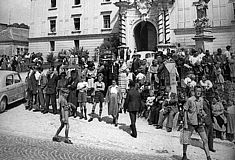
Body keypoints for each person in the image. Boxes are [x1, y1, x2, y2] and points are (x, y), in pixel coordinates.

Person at [182, 86, 211, 160]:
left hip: (199, 122)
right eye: (197, 91)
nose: (198, 92)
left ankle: (208, 157)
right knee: (185, 140)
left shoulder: (201, 99)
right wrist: (185, 123)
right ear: (194, 91)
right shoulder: (190, 100)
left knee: (205, 139)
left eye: (200, 91)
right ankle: (184, 155)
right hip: (190, 122)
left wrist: (204, 114)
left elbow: (201, 110)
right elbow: (185, 111)